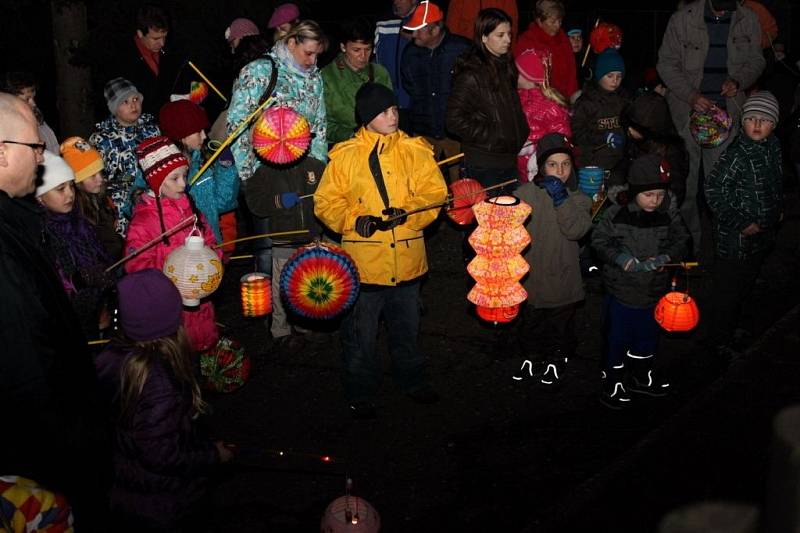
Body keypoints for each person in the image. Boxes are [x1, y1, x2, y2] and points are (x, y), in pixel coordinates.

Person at [0, 93, 110, 530]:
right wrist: (72, 452)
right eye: (35, 147)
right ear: (3, 151)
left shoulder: (16, 221)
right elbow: (27, 370)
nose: (42, 155)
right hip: (41, 457)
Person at [314, 83, 448, 419]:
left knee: (408, 330)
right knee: (360, 336)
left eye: (394, 109)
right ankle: (360, 390)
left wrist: (410, 211)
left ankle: (413, 380)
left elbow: (434, 194)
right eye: (384, 111)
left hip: (407, 262)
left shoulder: (415, 150)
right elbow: (326, 201)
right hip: (364, 267)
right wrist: (353, 220)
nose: (393, 115)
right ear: (367, 117)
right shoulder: (345, 156)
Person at [94, 269, 233, 529]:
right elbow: (161, 454)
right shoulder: (158, 384)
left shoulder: (110, 357)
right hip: (162, 503)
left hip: (125, 484)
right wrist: (213, 455)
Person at [657, 0, 764, 256]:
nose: (724, 11)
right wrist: (692, 96)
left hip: (726, 116)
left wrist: (738, 81)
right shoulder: (683, 19)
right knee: (687, 187)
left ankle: (725, 246)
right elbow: (666, 64)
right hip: (687, 115)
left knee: (722, 186)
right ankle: (689, 248)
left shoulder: (747, 18)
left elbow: (757, 61)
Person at [228, 20, 328, 278]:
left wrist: (318, 168)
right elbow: (237, 125)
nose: (312, 60)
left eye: (317, 54)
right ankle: (270, 312)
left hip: (303, 172)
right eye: (308, 53)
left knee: (304, 240)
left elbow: (319, 125)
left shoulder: (315, 78)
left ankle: (301, 305)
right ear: (292, 42)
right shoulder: (260, 71)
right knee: (268, 247)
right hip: (266, 173)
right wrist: (249, 174)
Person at [592, 153, 690, 409]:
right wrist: (620, 257)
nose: (655, 201)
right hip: (623, 291)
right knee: (618, 338)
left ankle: (641, 374)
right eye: (648, 195)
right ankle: (613, 379)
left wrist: (668, 256)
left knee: (647, 338)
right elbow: (600, 240)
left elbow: (681, 239)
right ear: (635, 191)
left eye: (659, 194)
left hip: (654, 292)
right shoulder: (617, 213)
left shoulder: (668, 211)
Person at [125, 136, 222, 353]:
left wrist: (213, 260)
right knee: (178, 369)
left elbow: (209, 239)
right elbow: (136, 268)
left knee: (200, 360)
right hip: (170, 314)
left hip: (201, 304)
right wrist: (173, 275)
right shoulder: (144, 222)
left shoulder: (189, 205)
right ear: (156, 181)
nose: (183, 184)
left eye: (185, 175)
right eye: (174, 178)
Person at [705, 91, 783, 358]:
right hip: (734, 240)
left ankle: (731, 327)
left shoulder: (773, 147)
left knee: (745, 287)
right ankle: (718, 340)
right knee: (728, 290)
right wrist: (740, 221)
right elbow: (714, 190)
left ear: (774, 124)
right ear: (743, 122)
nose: (757, 125)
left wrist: (776, 211)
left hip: (761, 237)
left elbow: (775, 182)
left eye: (764, 120)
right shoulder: (736, 155)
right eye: (751, 119)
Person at [513, 133, 592, 386]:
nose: (559, 171)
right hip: (533, 276)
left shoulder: (579, 199)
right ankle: (531, 358)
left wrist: (562, 199)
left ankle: (557, 361)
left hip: (563, 275)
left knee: (559, 326)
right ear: (541, 167)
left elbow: (576, 230)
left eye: (565, 164)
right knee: (531, 324)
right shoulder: (526, 193)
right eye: (552, 164)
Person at [447, 8, 529, 191]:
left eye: (509, 33)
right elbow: (453, 120)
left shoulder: (505, 66)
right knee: (488, 217)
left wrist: (521, 131)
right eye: (500, 35)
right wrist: (493, 135)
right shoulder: (471, 74)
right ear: (484, 37)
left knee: (510, 216)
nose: (508, 40)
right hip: (483, 165)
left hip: (508, 160)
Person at [36, 152, 115, 338]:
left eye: (71, 186)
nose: (70, 194)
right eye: (60, 189)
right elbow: (52, 295)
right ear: (40, 197)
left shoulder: (79, 222)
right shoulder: (42, 234)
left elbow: (100, 257)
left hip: (99, 317)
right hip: (71, 328)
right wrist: (81, 280)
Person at [401, 0, 471, 182]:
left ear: (435, 30)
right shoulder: (410, 53)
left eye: (419, 29)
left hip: (455, 134)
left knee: (460, 187)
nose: (413, 34)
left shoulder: (462, 49)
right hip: (423, 133)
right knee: (424, 184)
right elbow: (408, 85)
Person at [159, 99, 239, 245]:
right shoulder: (159, 169)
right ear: (181, 133)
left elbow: (223, 203)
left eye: (204, 130)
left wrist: (226, 167)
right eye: (198, 131)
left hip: (207, 246)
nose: (204, 136)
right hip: (175, 250)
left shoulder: (202, 163)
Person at [89, 77, 161, 237]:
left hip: (152, 200)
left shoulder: (152, 131)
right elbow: (97, 178)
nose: (133, 105)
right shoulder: (102, 139)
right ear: (114, 108)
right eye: (125, 102)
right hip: (121, 206)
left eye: (136, 99)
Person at [322, 18, 393, 144]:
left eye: (368, 49)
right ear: (343, 47)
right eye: (356, 50)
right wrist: (352, 136)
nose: (363, 56)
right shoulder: (327, 77)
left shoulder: (380, 73)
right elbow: (322, 123)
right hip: (344, 147)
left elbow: (391, 112)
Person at [571, 48, 629, 186]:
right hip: (592, 165)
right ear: (599, 75)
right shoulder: (586, 102)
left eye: (619, 76)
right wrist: (603, 138)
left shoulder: (624, 100)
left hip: (618, 164)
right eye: (610, 76)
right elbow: (577, 133)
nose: (615, 81)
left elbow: (628, 125)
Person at [60, 136, 124, 260]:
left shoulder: (101, 198)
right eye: (92, 175)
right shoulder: (77, 212)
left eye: (100, 173)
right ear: (77, 180)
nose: (100, 179)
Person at [515, 48, 571, 183]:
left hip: (539, 167)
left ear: (528, 76)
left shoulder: (549, 105)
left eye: (518, 72)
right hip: (520, 165)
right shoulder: (518, 97)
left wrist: (536, 153)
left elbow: (559, 134)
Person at [118, 3, 182, 115]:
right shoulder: (124, 60)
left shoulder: (170, 54)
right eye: (156, 38)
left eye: (164, 37)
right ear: (140, 33)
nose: (162, 43)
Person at [514, 0, 578, 103]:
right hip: (539, 101)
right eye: (553, 22)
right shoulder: (527, 41)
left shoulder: (563, 39)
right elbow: (523, 80)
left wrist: (571, 98)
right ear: (539, 21)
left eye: (560, 21)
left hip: (563, 99)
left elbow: (571, 71)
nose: (557, 25)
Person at [374, 0, 418, 132]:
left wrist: (414, 39)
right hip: (388, 100)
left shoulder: (424, 20)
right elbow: (373, 57)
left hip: (415, 101)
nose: (396, 2)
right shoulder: (383, 21)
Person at [2, 71, 59, 153]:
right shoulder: (9, 131)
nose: (34, 104)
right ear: (10, 101)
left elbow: (53, 148)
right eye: (27, 99)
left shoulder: (38, 118)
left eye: (33, 98)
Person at [445, 0, 519, 41]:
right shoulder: (459, 2)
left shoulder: (508, 2)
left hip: (495, 57)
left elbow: (511, 30)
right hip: (466, 56)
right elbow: (450, 32)